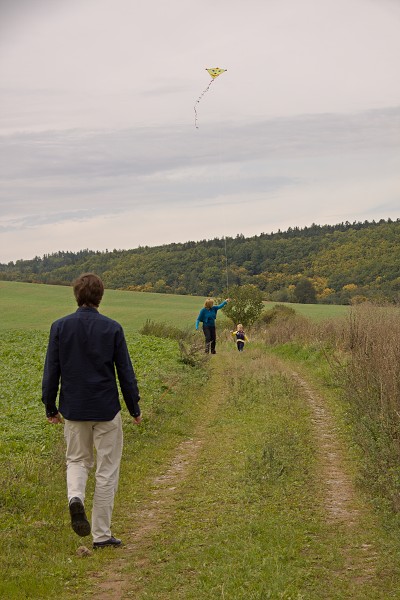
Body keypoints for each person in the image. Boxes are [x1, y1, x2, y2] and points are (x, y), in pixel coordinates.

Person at [42, 273, 142, 549]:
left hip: (73, 409)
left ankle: (75, 497)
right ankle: (101, 534)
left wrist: (50, 406)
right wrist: (134, 407)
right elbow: (125, 372)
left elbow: (52, 371)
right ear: (100, 296)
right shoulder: (112, 328)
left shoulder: (59, 327)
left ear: (76, 295)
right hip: (106, 409)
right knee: (106, 470)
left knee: (76, 461)